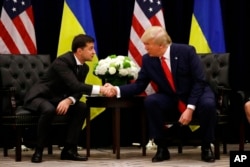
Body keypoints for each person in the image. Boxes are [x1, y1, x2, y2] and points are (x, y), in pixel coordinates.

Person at [107, 26, 217, 163]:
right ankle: (162, 147)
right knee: (151, 101)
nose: (145, 48)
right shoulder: (148, 59)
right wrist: (116, 90)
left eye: (147, 44)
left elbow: (199, 81)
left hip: (197, 92)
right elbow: (139, 85)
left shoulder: (186, 51)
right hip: (171, 96)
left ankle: (206, 146)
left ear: (160, 45)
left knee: (208, 104)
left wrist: (190, 108)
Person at [23, 34, 113, 163]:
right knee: (48, 109)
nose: (94, 52)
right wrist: (101, 90)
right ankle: (38, 150)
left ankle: (69, 149)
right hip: (41, 96)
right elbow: (75, 85)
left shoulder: (85, 68)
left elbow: (78, 90)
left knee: (81, 106)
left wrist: (69, 100)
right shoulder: (62, 61)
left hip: (58, 99)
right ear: (79, 50)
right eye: (91, 49)